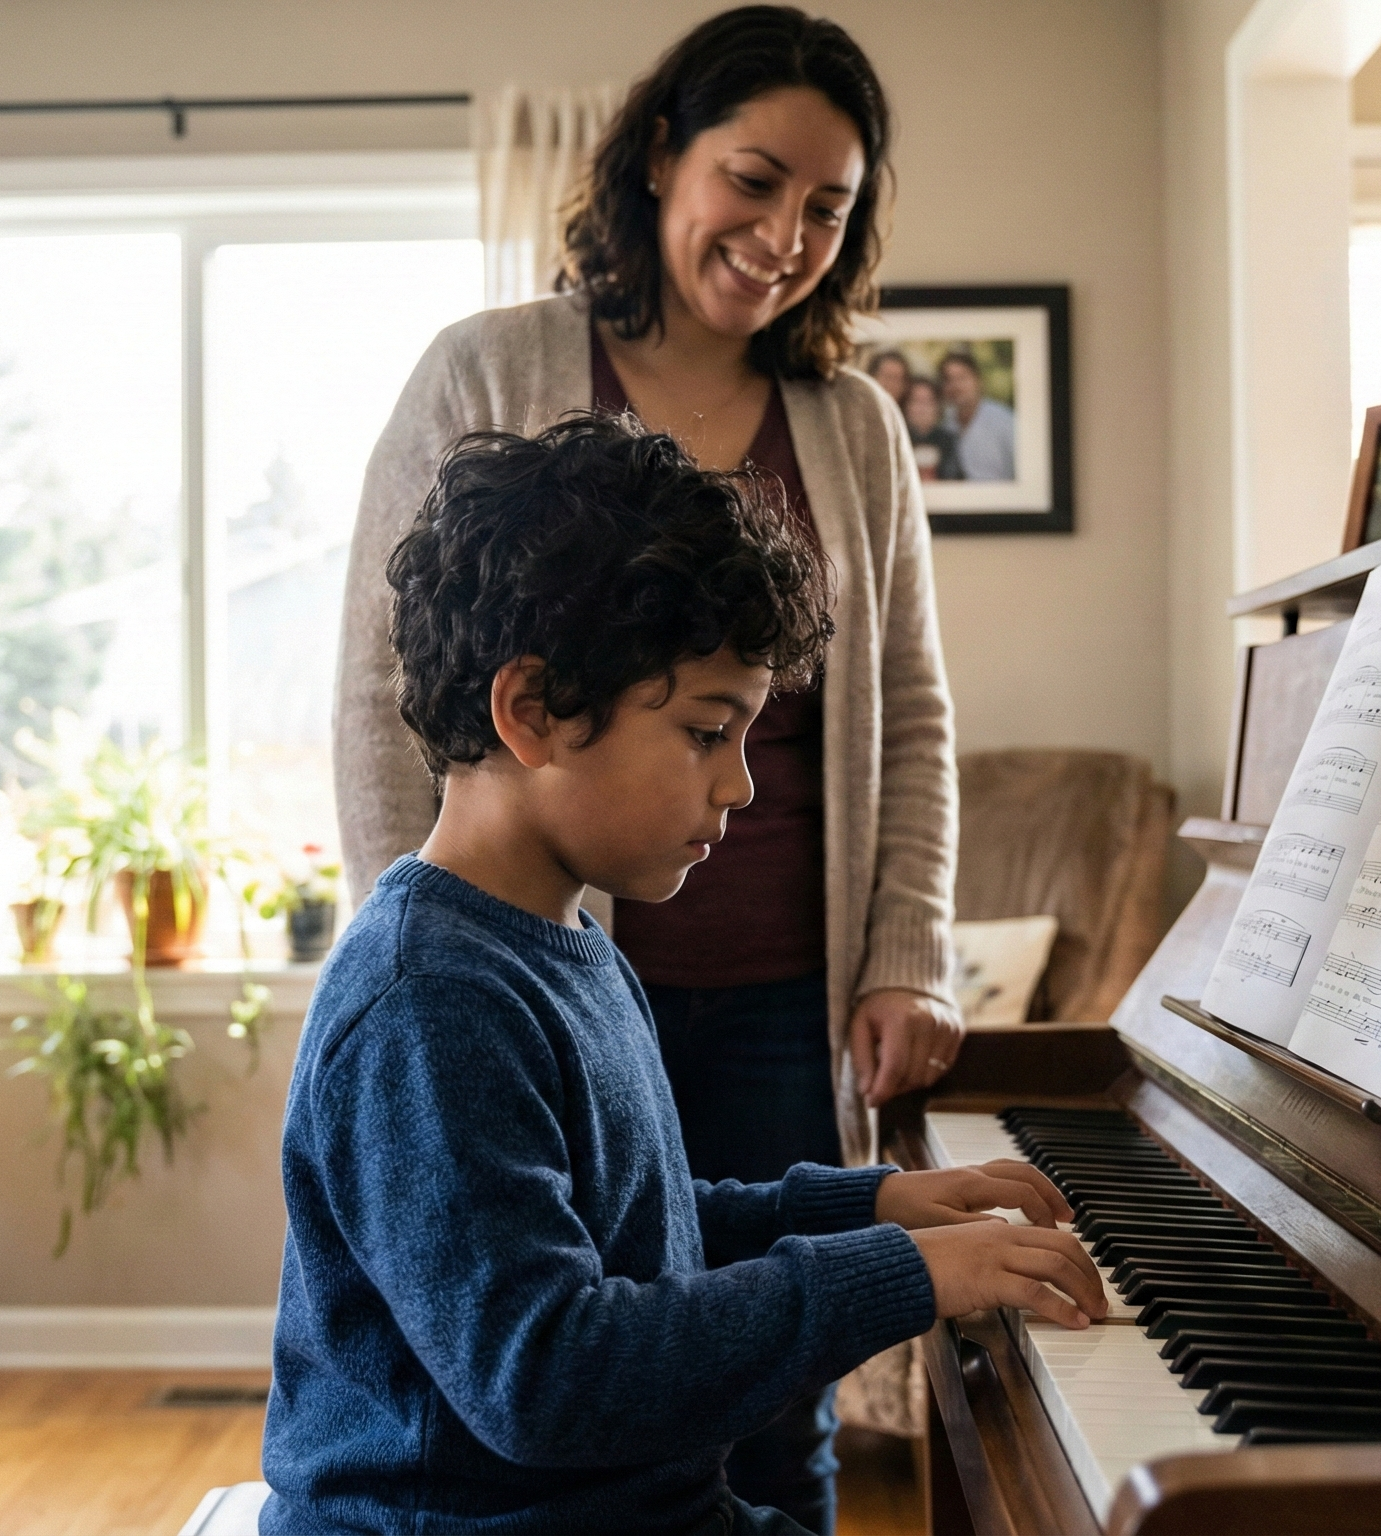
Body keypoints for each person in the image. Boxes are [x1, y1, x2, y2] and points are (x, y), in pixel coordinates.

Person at [334, 11, 965, 1528]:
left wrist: (905, 955)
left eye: (830, 207)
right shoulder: (491, 365)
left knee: (761, 1409)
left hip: (771, 986)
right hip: (536, 941)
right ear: (662, 155)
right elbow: (382, 692)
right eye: (756, 180)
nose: (787, 234)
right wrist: (446, 934)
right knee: (584, 1368)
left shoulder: (854, 425)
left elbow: (916, 708)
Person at [269, 416, 1105, 1536]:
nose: (742, 789)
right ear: (532, 712)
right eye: (709, 732)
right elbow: (548, 1375)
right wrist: (903, 1279)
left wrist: (872, 1207)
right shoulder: (428, 1001)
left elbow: (638, 1231)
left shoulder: (562, 946)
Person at [938, 350, 1015, 481]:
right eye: (949, 379)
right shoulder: (944, 423)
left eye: (962, 378)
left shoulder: (1006, 421)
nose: (955, 386)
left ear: (978, 381)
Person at [901, 378, 956, 479]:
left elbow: (953, 476)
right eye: (916, 401)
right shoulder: (897, 440)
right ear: (906, 406)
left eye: (928, 401)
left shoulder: (948, 440)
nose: (922, 408)